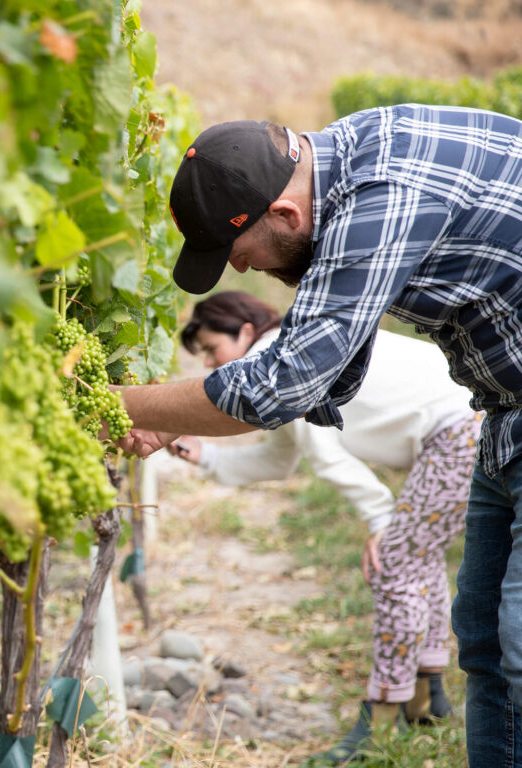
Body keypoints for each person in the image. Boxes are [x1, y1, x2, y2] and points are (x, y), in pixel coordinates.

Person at [115, 106, 522, 766]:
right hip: (503, 418)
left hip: (484, 420)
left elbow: (285, 386)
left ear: (286, 215)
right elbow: (313, 391)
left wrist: (116, 406)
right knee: (484, 643)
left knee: (518, 645)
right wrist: (169, 421)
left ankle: (389, 707)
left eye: (240, 256)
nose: (242, 275)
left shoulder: (379, 191)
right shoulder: (349, 173)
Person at [170, 290, 479, 762]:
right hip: (471, 418)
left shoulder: (276, 361)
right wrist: (207, 456)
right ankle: (426, 696)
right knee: (417, 557)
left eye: (214, 350)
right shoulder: (294, 348)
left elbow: (324, 454)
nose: (213, 366)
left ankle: (381, 720)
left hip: (457, 430)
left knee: (395, 565)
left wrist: (379, 517)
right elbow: (282, 456)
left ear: (246, 331)